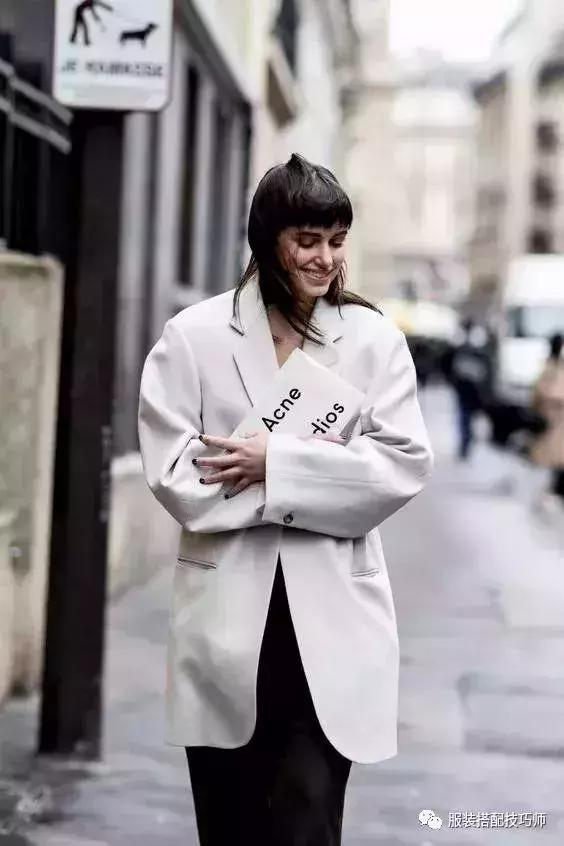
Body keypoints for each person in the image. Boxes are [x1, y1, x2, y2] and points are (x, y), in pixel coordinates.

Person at [137, 153, 434, 846]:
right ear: (267, 238)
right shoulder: (194, 337)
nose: (325, 258)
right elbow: (176, 477)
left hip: (333, 620)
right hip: (225, 619)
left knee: (309, 821)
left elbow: (398, 468)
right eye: (307, 240)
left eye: (336, 240)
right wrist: (325, 485)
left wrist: (276, 466)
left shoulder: (374, 342)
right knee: (229, 823)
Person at [447, 319, 493, 460]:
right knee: (465, 419)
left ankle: (468, 442)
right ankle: (465, 444)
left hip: (475, 393)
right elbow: (453, 370)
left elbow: (487, 373)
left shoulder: (479, 352)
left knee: (469, 419)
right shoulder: (461, 350)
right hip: (465, 392)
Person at [530, 333, 564, 502]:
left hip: (553, 415)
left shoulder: (550, 366)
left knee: (554, 455)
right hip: (553, 416)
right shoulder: (552, 367)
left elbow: (538, 393)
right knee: (553, 455)